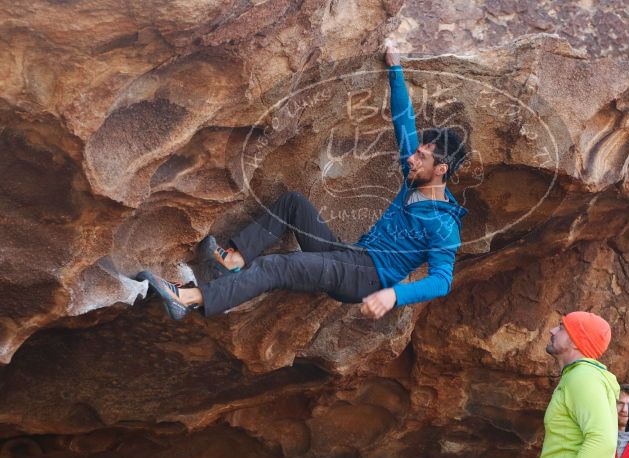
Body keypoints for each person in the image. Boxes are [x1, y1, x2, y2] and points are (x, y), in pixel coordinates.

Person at [136, 39, 468, 321]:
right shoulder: (415, 178)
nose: (412, 157)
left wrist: (393, 295)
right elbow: (403, 122)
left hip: (365, 278)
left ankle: (188, 299)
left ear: (440, 170)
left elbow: (442, 281)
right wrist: (394, 68)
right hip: (350, 255)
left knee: (276, 268)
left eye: (422, 156)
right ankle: (234, 260)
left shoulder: (443, 224)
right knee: (293, 204)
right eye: (418, 152)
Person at [537, 311, 627, 458]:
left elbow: (602, 441)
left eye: (561, 327)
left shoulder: (583, 376)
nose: (552, 331)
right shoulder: (577, 377)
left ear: (577, 341)